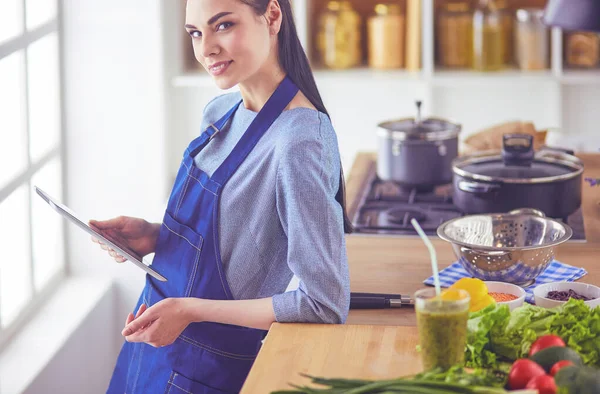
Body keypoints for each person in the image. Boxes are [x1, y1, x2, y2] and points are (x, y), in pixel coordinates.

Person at [90, 0, 352, 392]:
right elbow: (238, 237)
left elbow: (323, 303)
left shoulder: (298, 142)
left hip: (206, 372)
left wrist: (190, 310)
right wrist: (155, 236)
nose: (206, 48)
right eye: (196, 32)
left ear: (273, 16)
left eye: (223, 25)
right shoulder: (222, 110)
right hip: (150, 352)